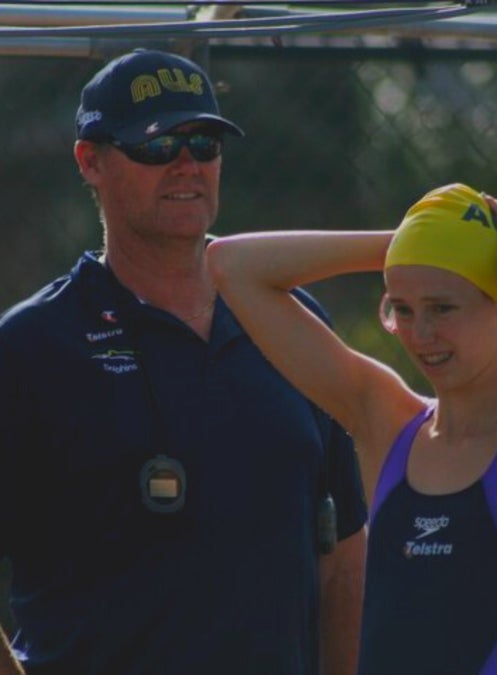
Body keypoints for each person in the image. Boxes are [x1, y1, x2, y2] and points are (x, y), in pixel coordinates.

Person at [0, 49, 368, 674]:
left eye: (205, 143)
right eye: (157, 146)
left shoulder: (292, 322)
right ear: (90, 161)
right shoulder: (32, 345)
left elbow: (345, 562)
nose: (188, 165)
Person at [206, 182, 497, 673]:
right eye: (403, 309)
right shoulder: (389, 424)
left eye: (442, 307)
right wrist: (412, 242)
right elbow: (229, 265)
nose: (420, 334)